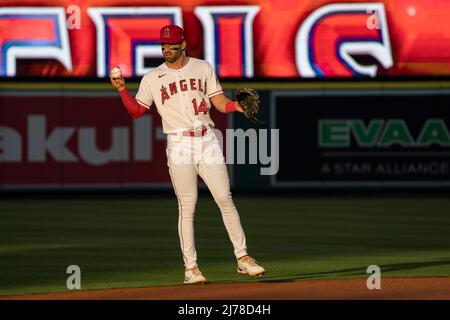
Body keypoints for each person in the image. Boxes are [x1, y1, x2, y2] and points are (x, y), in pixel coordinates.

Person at [110, 24, 265, 284]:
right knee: (188, 206)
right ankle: (191, 269)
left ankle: (243, 258)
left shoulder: (202, 67)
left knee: (225, 199)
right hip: (179, 142)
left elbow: (217, 101)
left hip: (207, 138)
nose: (167, 49)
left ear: (183, 45)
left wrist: (236, 106)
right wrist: (121, 89)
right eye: (163, 45)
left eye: (171, 45)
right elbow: (137, 111)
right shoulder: (152, 78)